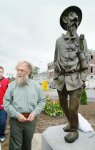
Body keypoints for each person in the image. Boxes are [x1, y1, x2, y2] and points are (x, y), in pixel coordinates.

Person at [53, 6, 89, 143]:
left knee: (73, 108)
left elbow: (85, 61)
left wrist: (83, 79)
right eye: (72, 16)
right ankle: (72, 122)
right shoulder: (59, 41)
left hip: (76, 80)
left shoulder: (82, 40)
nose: (75, 19)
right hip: (61, 79)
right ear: (65, 20)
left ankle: (74, 129)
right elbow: (55, 58)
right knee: (63, 105)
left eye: (77, 18)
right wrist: (56, 76)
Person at [4, 61, 46, 150]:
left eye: (22, 70)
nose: (19, 72)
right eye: (18, 70)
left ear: (28, 72)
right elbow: (6, 102)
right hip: (16, 121)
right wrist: (17, 114)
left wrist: (34, 113)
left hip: (31, 121)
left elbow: (42, 101)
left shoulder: (36, 86)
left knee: (27, 145)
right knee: (15, 146)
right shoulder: (11, 86)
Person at [0, 66, 10, 142]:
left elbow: (9, 94)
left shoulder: (7, 81)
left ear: (3, 72)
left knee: (2, 122)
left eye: (1, 72)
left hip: (3, 107)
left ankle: (1, 135)